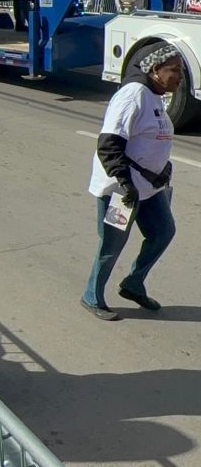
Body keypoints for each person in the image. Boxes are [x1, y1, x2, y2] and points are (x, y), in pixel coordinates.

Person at [81, 42, 183, 321]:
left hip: (150, 188)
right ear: (155, 69)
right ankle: (92, 295)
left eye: (181, 70)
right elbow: (108, 144)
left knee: (163, 232)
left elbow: (152, 140)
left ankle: (133, 284)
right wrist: (125, 184)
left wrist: (163, 167)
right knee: (112, 244)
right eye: (174, 70)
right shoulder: (133, 95)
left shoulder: (155, 96)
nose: (180, 76)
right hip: (121, 190)